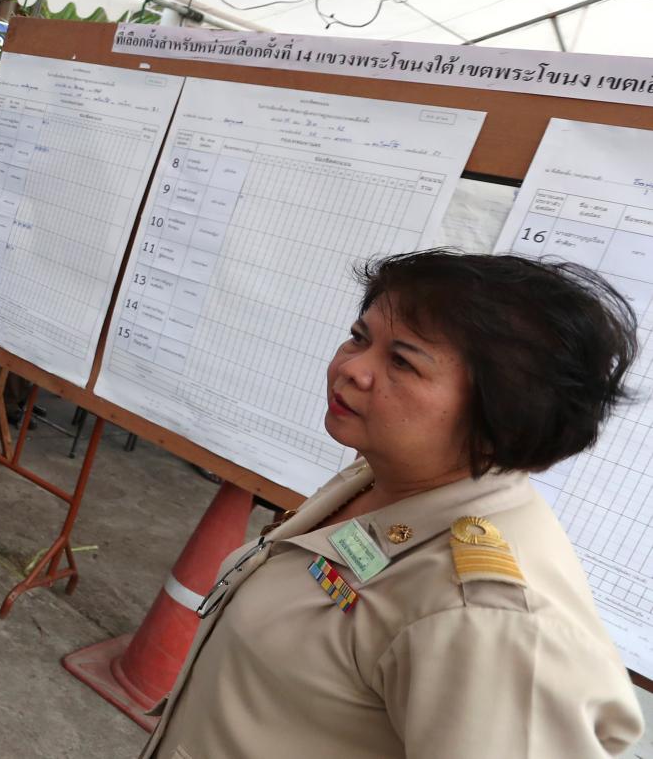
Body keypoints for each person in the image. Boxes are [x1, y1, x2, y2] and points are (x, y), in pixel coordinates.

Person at [142, 250, 644, 759]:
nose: (352, 368)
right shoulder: (384, 478)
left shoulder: (487, 622)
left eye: (402, 361)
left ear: (504, 416)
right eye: (360, 337)